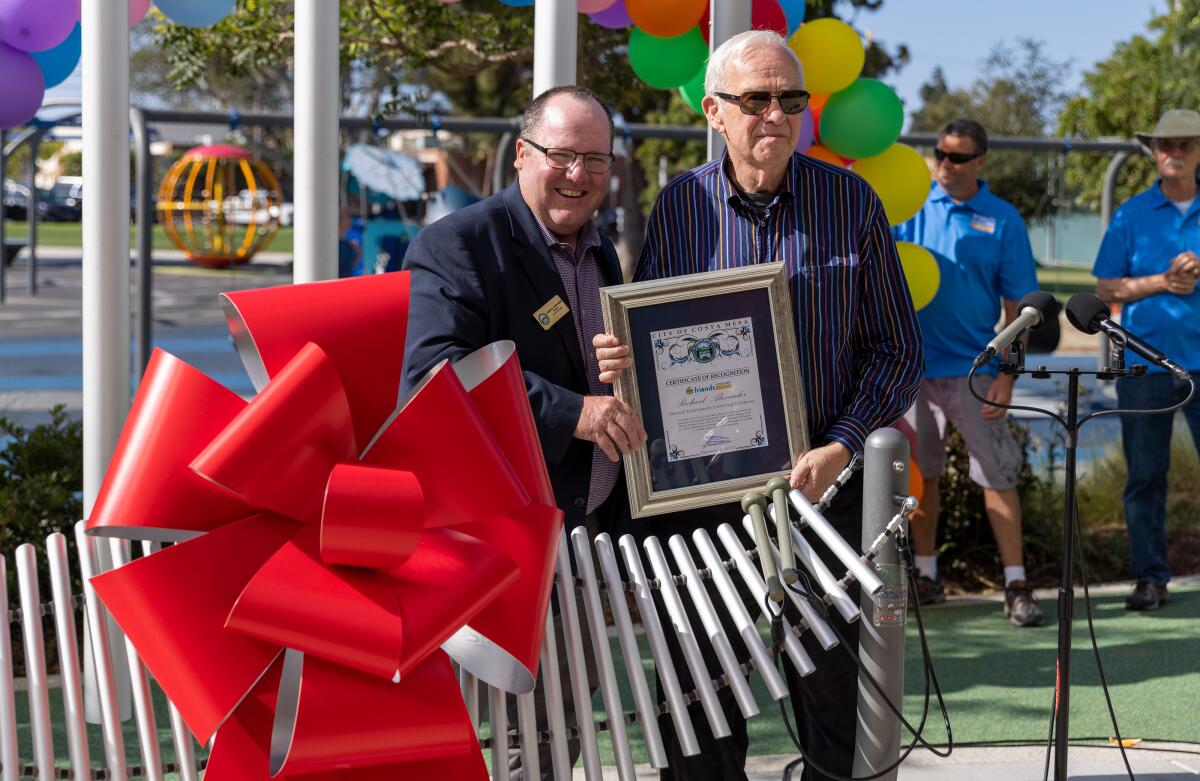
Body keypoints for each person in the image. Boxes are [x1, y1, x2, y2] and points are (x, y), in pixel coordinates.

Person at [595, 30, 923, 781]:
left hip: (827, 497)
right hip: (708, 506)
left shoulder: (853, 203)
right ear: (714, 111)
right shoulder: (679, 209)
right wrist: (623, 363)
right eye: (756, 99)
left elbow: (898, 352)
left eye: (791, 99)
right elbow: (654, 351)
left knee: (838, 704)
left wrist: (840, 444)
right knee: (699, 705)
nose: (776, 115)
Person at [401, 85, 647, 779]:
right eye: (562, 155)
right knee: (516, 732)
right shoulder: (459, 243)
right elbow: (433, 376)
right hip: (500, 543)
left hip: (587, 532)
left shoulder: (602, 255)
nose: (578, 174)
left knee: (558, 725)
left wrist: (622, 380)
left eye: (594, 159)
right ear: (522, 156)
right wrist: (576, 410)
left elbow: (591, 371)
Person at [892, 118, 1044, 627]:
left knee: (996, 478)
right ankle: (927, 576)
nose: (944, 163)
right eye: (939, 153)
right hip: (913, 373)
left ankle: (1016, 583)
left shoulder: (1002, 219)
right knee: (921, 479)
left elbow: (1020, 307)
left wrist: (1006, 375)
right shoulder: (909, 207)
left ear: (980, 161)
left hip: (976, 373)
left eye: (957, 157)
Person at [1093, 108, 1200, 611]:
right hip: (1146, 368)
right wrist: (1163, 280)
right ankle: (1151, 579)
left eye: (1183, 144)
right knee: (1144, 478)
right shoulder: (1132, 214)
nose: (1173, 153)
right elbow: (1105, 286)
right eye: (1164, 145)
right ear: (1154, 153)